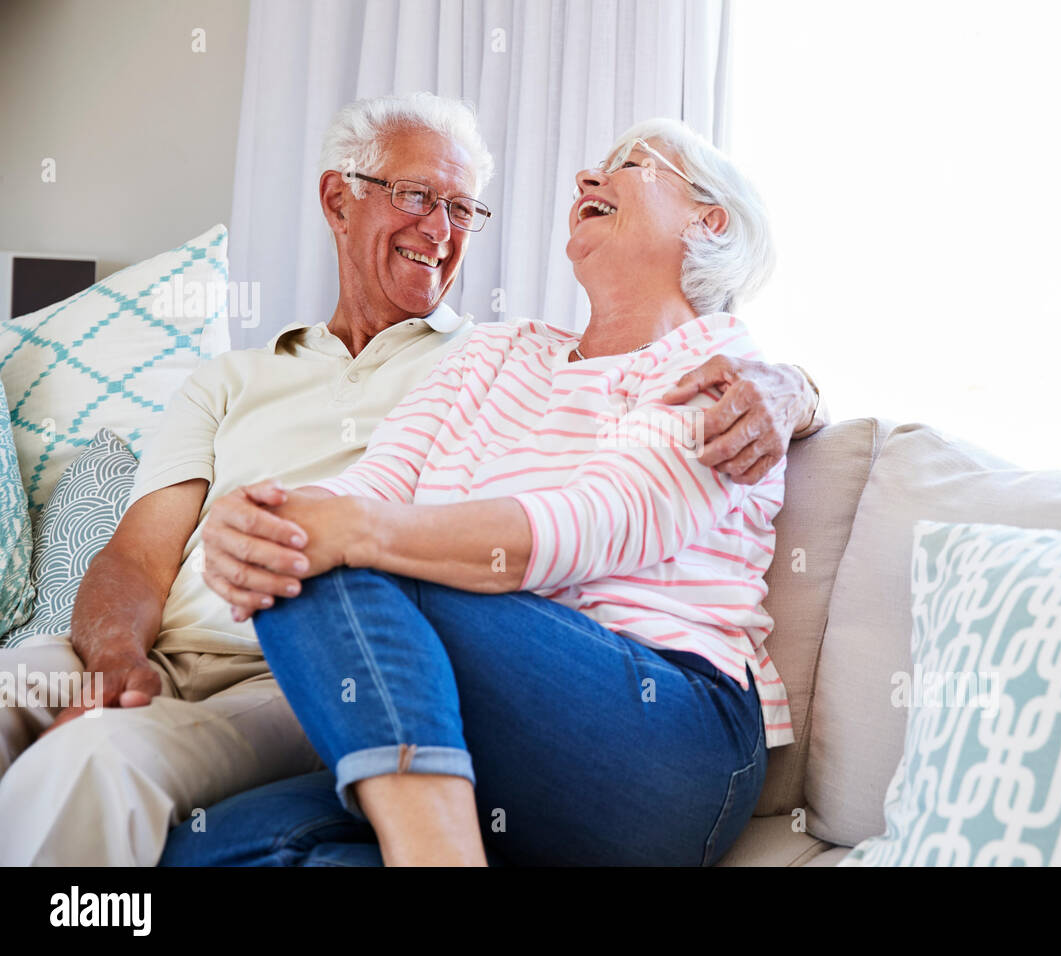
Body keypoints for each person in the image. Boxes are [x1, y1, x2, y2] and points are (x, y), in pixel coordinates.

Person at [0, 94, 825, 866]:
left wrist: (338, 533)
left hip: (665, 734)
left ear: (709, 220)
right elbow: (376, 482)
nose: (587, 177)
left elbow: (591, 523)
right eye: (594, 166)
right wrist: (267, 517)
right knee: (204, 852)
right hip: (495, 740)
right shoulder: (499, 353)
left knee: (327, 558)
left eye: (632, 165)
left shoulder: (722, 371)